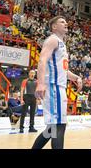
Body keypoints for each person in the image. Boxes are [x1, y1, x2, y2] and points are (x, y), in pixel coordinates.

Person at [32, 16, 82, 149]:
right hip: (53, 86)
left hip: (59, 86)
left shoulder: (61, 43)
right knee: (59, 125)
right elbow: (42, 60)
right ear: (54, 27)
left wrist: (76, 77)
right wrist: (41, 83)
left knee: (52, 128)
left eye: (66, 22)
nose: (66, 23)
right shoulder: (53, 40)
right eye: (62, 22)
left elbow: (63, 70)